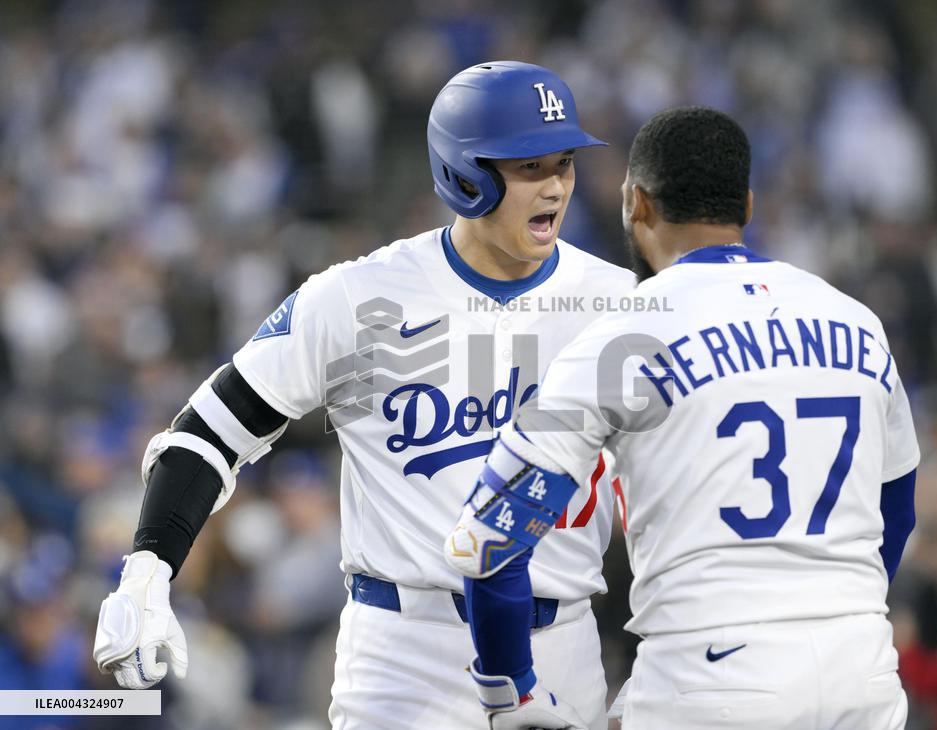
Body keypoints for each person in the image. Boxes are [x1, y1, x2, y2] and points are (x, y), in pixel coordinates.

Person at [92, 61, 635, 730]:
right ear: (464, 175)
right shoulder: (357, 297)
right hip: (403, 655)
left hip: (563, 646)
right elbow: (208, 432)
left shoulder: (624, 306)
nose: (554, 186)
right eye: (528, 167)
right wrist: (149, 566)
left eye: (564, 163)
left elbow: (682, 499)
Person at [445, 106, 920, 729]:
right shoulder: (856, 321)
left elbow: (490, 539)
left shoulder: (618, 340)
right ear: (746, 205)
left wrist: (512, 694)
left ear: (635, 202)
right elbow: (898, 509)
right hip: (863, 670)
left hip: (713, 677)